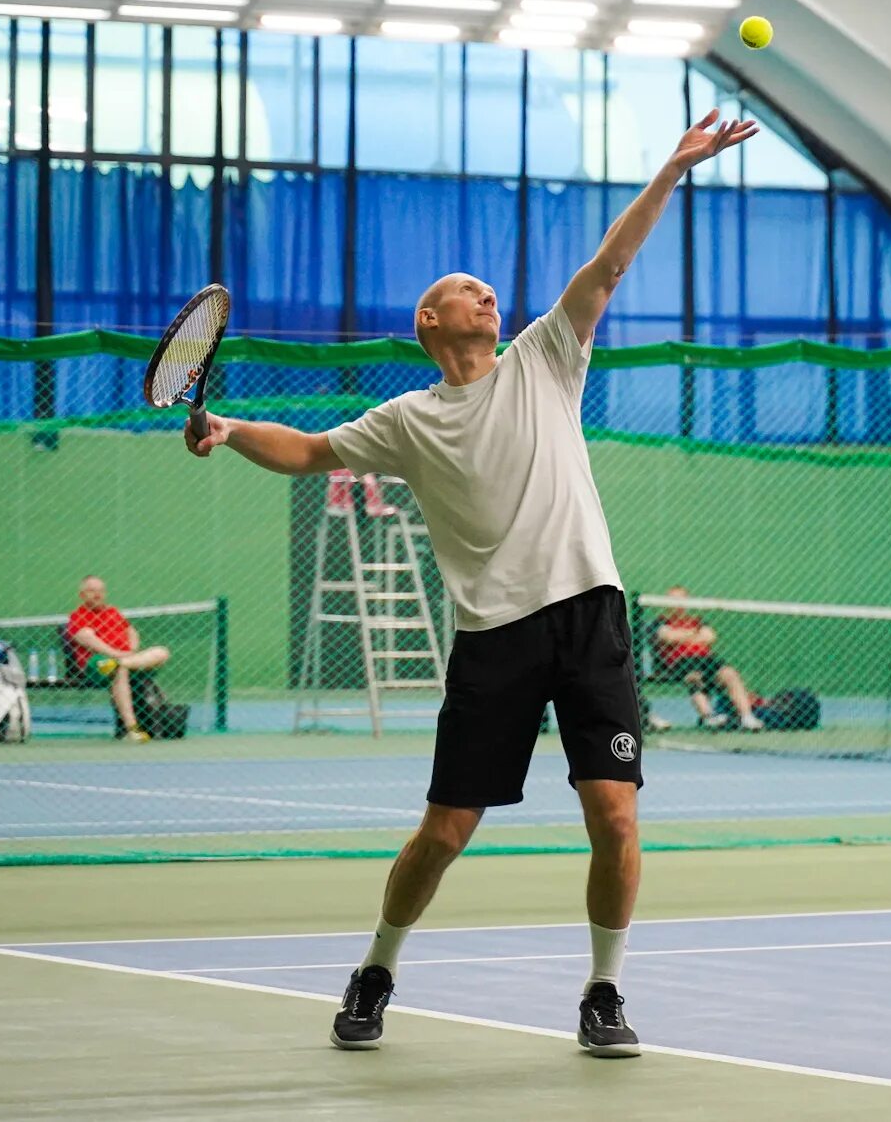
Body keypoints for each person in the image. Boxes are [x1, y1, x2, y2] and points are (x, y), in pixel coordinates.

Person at [187, 107, 756, 1058]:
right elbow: (309, 452)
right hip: (492, 638)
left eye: (489, 289)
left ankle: (604, 991)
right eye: (464, 289)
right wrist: (231, 428)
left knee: (615, 813)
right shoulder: (406, 420)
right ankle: (377, 967)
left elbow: (610, 264)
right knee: (445, 832)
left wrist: (675, 166)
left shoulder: (546, 356)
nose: (485, 295)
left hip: (589, 615)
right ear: (429, 321)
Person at [63, 575, 171, 743]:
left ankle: (120, 663)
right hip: (97, 664)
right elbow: (84, 637)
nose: (97, 595)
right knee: (117, 668)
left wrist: (131, 650)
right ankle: (132, 729)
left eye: (100, 591)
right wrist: (115, 653)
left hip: (125, 659)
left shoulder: (113, 612)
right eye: (92, 591)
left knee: (161, 652)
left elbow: (131, 632)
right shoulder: (78, 616)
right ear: (82, 595)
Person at [647, 587, 763, 732]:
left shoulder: (697, 621)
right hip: (679, 662)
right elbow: (668, 637)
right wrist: (694, 635)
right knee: (695, 677)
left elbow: (710, 637)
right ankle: (708, 716)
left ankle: (747, 717)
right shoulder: (659, 623)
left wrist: (683, 636)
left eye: (681, 600)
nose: (677, 604)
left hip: (706, 659)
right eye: (673, 600)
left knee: (730, 674)